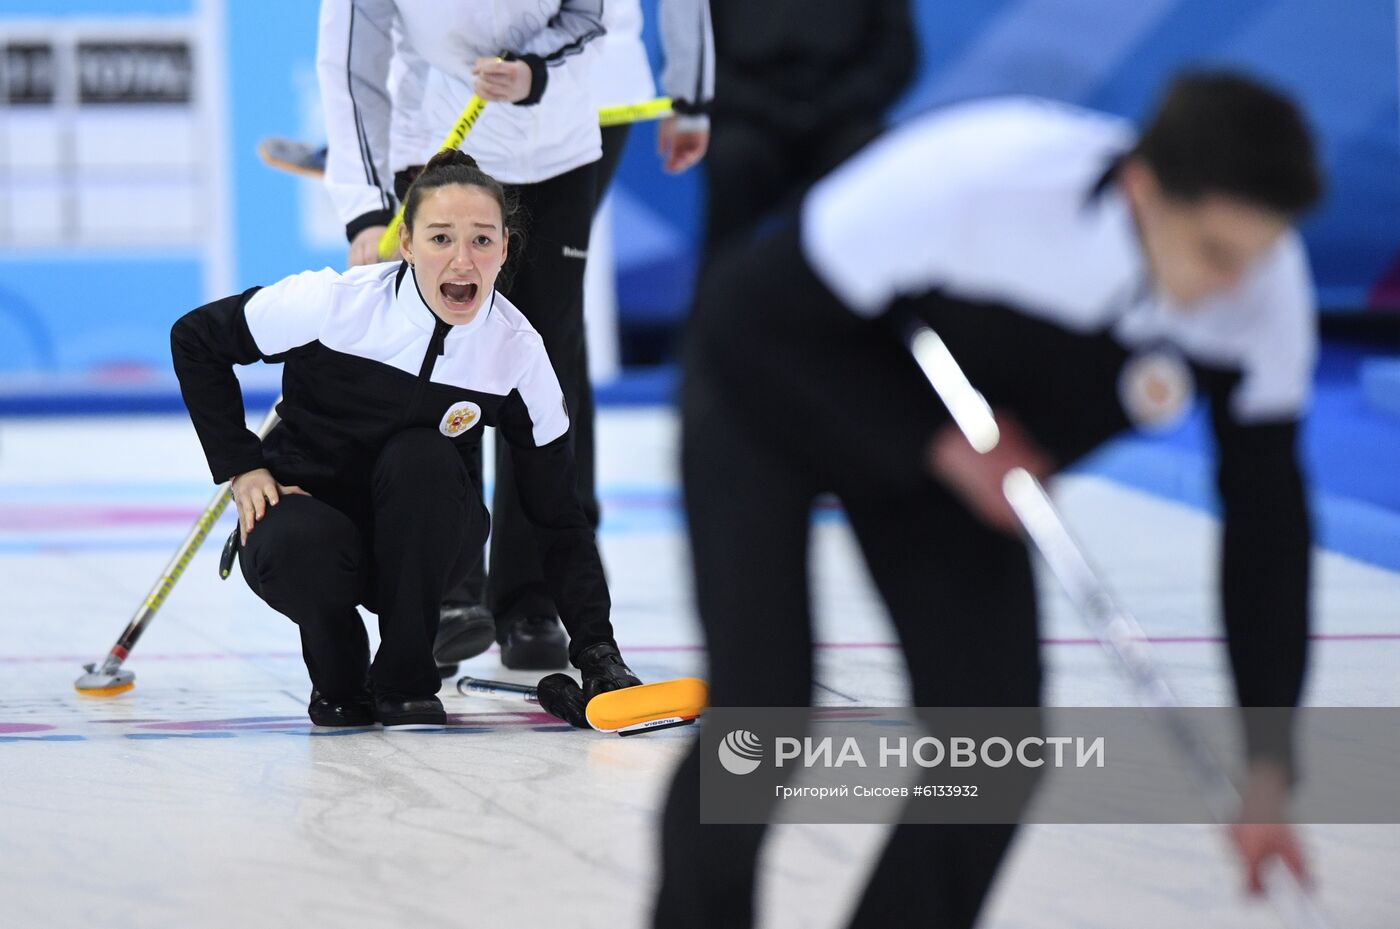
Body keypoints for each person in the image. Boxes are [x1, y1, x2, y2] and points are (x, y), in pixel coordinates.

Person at [654, 71, 1323, 927]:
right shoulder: (983, 180)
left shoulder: (1263, 290)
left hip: (962, 450)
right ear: (1142, 187)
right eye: (1216, 255)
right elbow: (747, 320)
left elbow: (1269, 522)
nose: (1238, 287)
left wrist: (1270, 761)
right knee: (764, 715)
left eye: (1258, 256)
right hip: (774, 388)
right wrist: (934, 445)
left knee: (994, 746)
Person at [171, 150, 641, 729]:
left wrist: (597, 652)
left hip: (429, 540)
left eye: (482, 240)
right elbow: (195, 339)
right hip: (308, 524)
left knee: (421, 458)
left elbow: (558, 516)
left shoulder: (516, 352)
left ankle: (406, 678)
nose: (462, 260)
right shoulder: (335, 303)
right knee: (298, 544)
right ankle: (339, 676)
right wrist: (242, 465)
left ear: (505, 249)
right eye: (441, 238)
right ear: (408, 245)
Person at [317, 0, 606, 673]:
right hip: (439, 150)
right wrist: (365, 207)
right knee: (443, 373)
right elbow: (349, 64)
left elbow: (590, 12)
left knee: (544, 375)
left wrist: (536, 71)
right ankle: (446, 596)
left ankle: (531, 598)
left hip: (557, 151)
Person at [702, 0, 915, 259]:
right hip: (751, 121)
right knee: (733, 157)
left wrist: (830, 108)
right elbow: (695, 60)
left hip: (841, 119)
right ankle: (720, 291)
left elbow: (895, 55)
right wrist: (766, 108)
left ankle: (866, 290)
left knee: (866, 155)